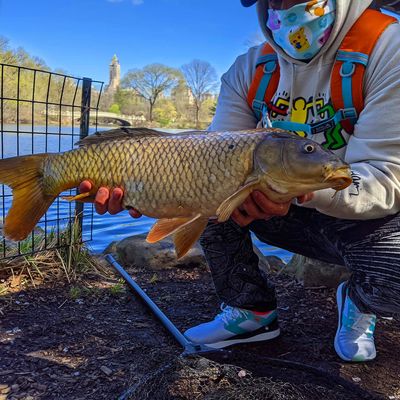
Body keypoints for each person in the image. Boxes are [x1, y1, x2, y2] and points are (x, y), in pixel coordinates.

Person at [81, 0, 400, 362]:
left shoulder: (389, 47)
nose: (283, 6)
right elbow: (213, 158)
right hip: (274, 200)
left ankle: (361, 299)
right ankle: (251, 310)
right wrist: (151, 188)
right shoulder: (249, 68)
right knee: (211, 191)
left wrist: (308, 191)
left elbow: (389, 176)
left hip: (368, 212)